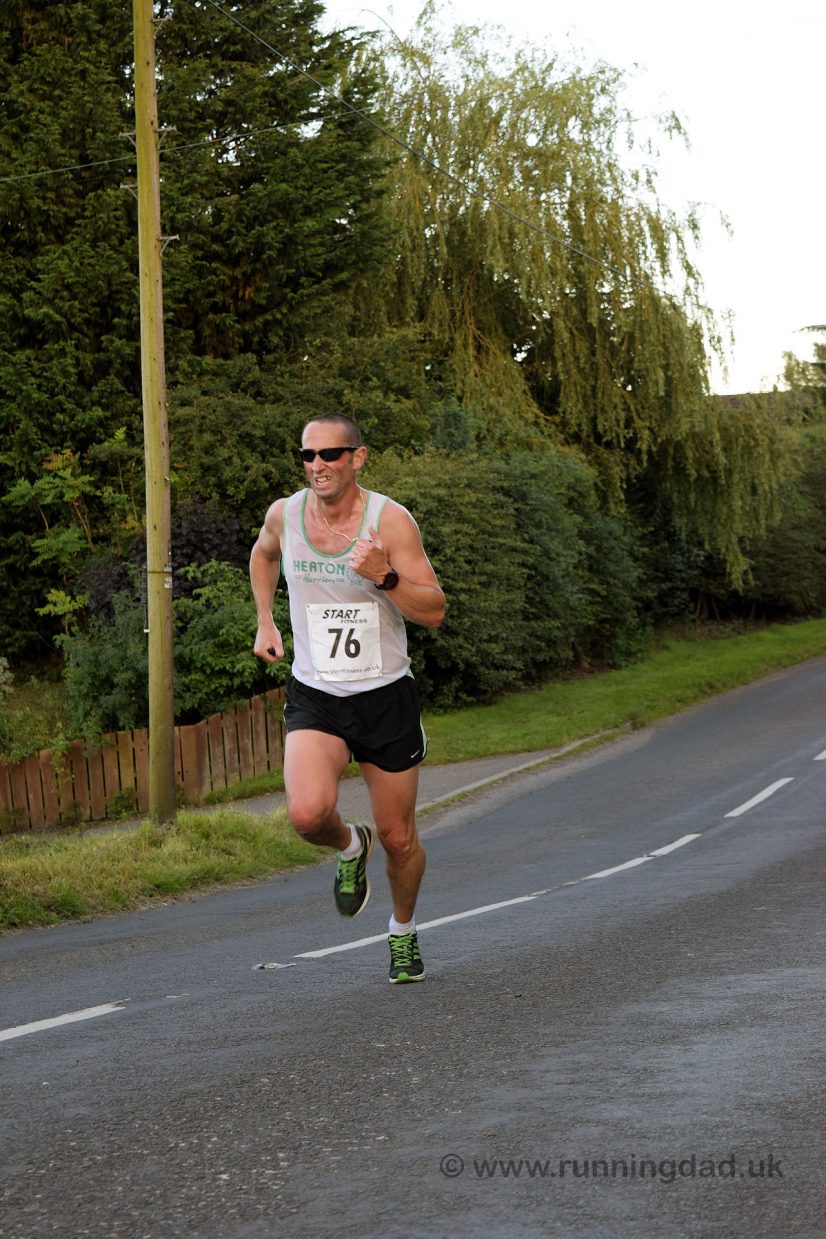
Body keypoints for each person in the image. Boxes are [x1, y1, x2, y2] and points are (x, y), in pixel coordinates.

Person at [250, 414, 446, 983]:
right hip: (318, 693)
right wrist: (266, 619)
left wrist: (385, 575)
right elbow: (263, 556)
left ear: (358, 458)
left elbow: (434, 611)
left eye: (331, 455)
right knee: (307, 813)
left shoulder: (391, 521)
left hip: (386, 697)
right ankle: (347, 844)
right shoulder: (284, 515)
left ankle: (402, 932)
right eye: (307, 455)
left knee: (400, 837)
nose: (317, 466)